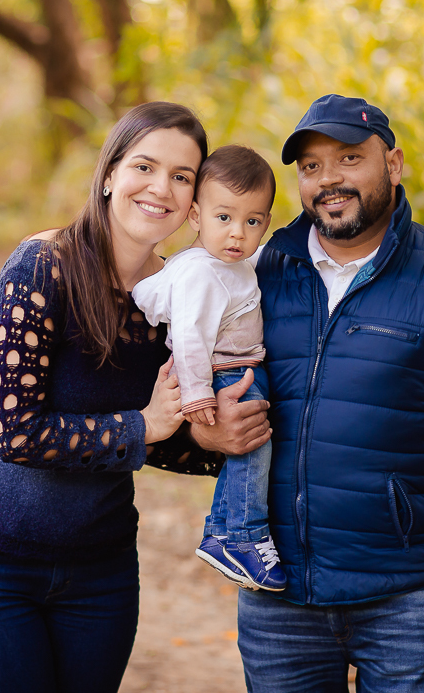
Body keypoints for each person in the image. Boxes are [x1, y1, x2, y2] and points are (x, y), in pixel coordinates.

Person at [0, 102, 271, 693]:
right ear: (109, 174)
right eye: (144, 166)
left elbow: (152, 436)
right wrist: (147, 426)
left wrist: (207, 441)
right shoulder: (41, 267)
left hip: (100, 570)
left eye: (182, 176)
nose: (160, 187)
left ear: (194, 203)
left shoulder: (179, 297)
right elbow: (17, 432)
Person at [238, 94, 424, 692]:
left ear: (392, 164)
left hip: (404, 602)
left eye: (349, 158)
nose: (329, 180)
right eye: (311, 167)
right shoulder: (261, 269)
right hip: (277, 601)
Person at [132, 145, 286, 592]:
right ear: (196, 216)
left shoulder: (223, 262)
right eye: (224, 218)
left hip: (232, 368)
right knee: (253, 447)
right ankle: (242, 535)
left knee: (250, 449)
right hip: (222, 375)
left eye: (252, 222)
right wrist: (198, 392)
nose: (238, 233)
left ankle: (223, 529)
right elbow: (189, 335)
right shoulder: (204, 272)